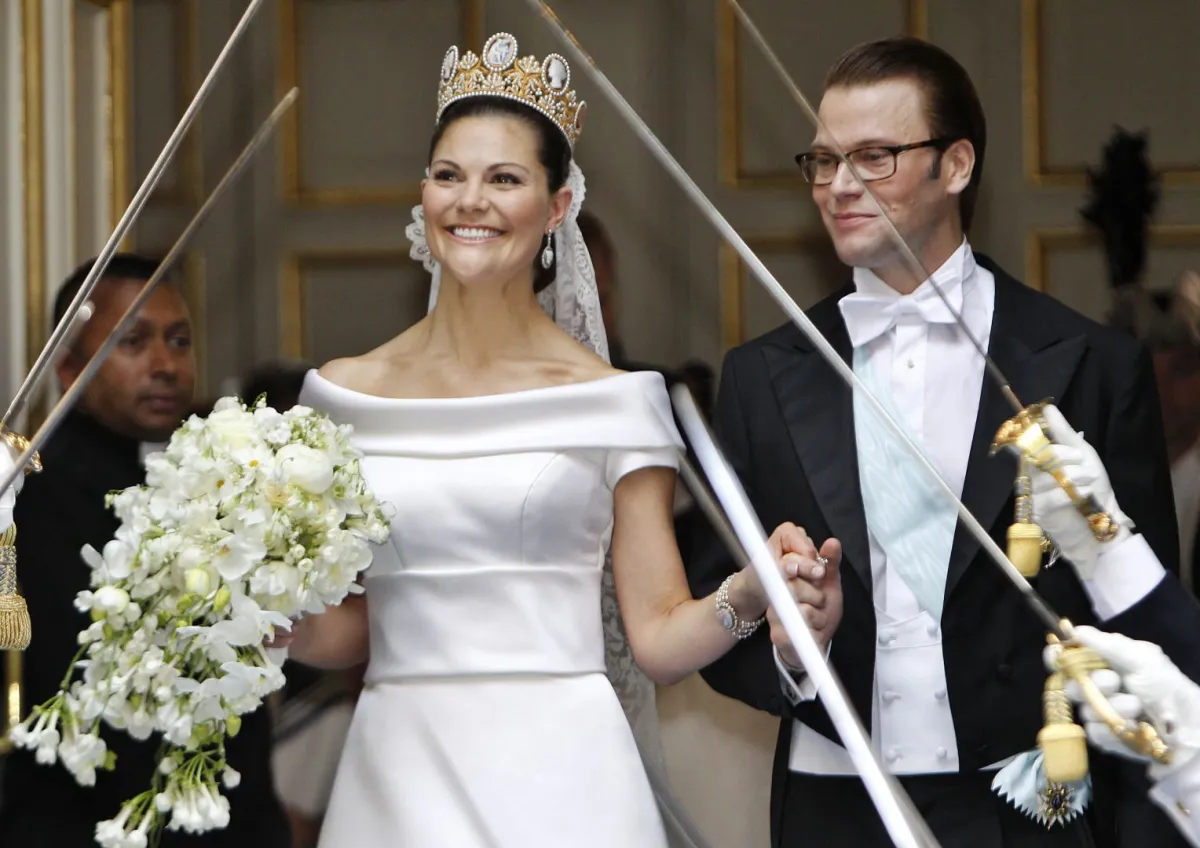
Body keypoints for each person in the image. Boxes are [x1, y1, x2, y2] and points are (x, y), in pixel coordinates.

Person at [271, 33, 786, 847]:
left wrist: (752, 593)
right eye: (449, 175)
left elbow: (656, 639)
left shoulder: (615, 403)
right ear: (424, 193)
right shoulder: (343, 397)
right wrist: (265, 617)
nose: (470, 201)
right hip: (398, 768)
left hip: (565, 774)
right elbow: (353, 625)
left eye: (504, 179)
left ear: (556, 208)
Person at [685, 35, 1186, 848]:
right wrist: (790, 650)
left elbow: (1143, 626)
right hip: (835, 805)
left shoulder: (1091, 364)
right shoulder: (761, 376)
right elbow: (713, 609)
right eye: (824, 160)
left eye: (873, 157)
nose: (839, 185)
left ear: (955, 166)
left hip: (1033, 803)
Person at [0, 254, 290, 845]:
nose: (165, 365)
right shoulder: (24, 492)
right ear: (69, 367)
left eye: (179, 341)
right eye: (132, 342)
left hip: (231, 815)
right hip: (73, 820)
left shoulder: (230, 473)